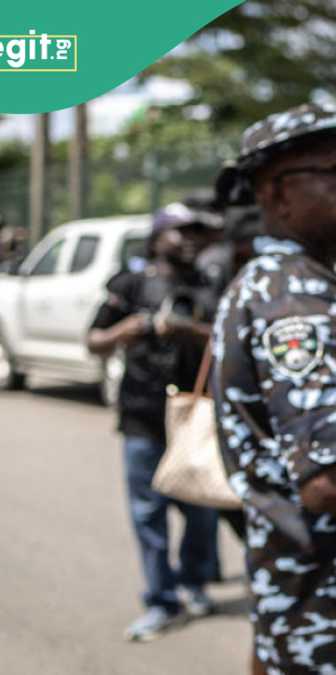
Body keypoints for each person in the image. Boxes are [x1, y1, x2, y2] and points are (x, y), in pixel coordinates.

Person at [210, 103, 336, 674]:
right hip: (327, 607)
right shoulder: (297, 303)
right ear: (276, 193)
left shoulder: (290, 283)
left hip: (302, 594)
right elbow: (329, 485)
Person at [86, 201, 223, 642]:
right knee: (148, 513)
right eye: (179, 231)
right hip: (142, 417)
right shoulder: (129, 284)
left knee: (199, 507)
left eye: (195, 233)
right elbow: (94, 340)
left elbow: (225, 339)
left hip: (192, 418)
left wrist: (186, 330)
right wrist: (125, 330)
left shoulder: (207, 286)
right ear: (157, 236)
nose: (188, 240)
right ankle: (162, 601)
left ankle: (195, 582)